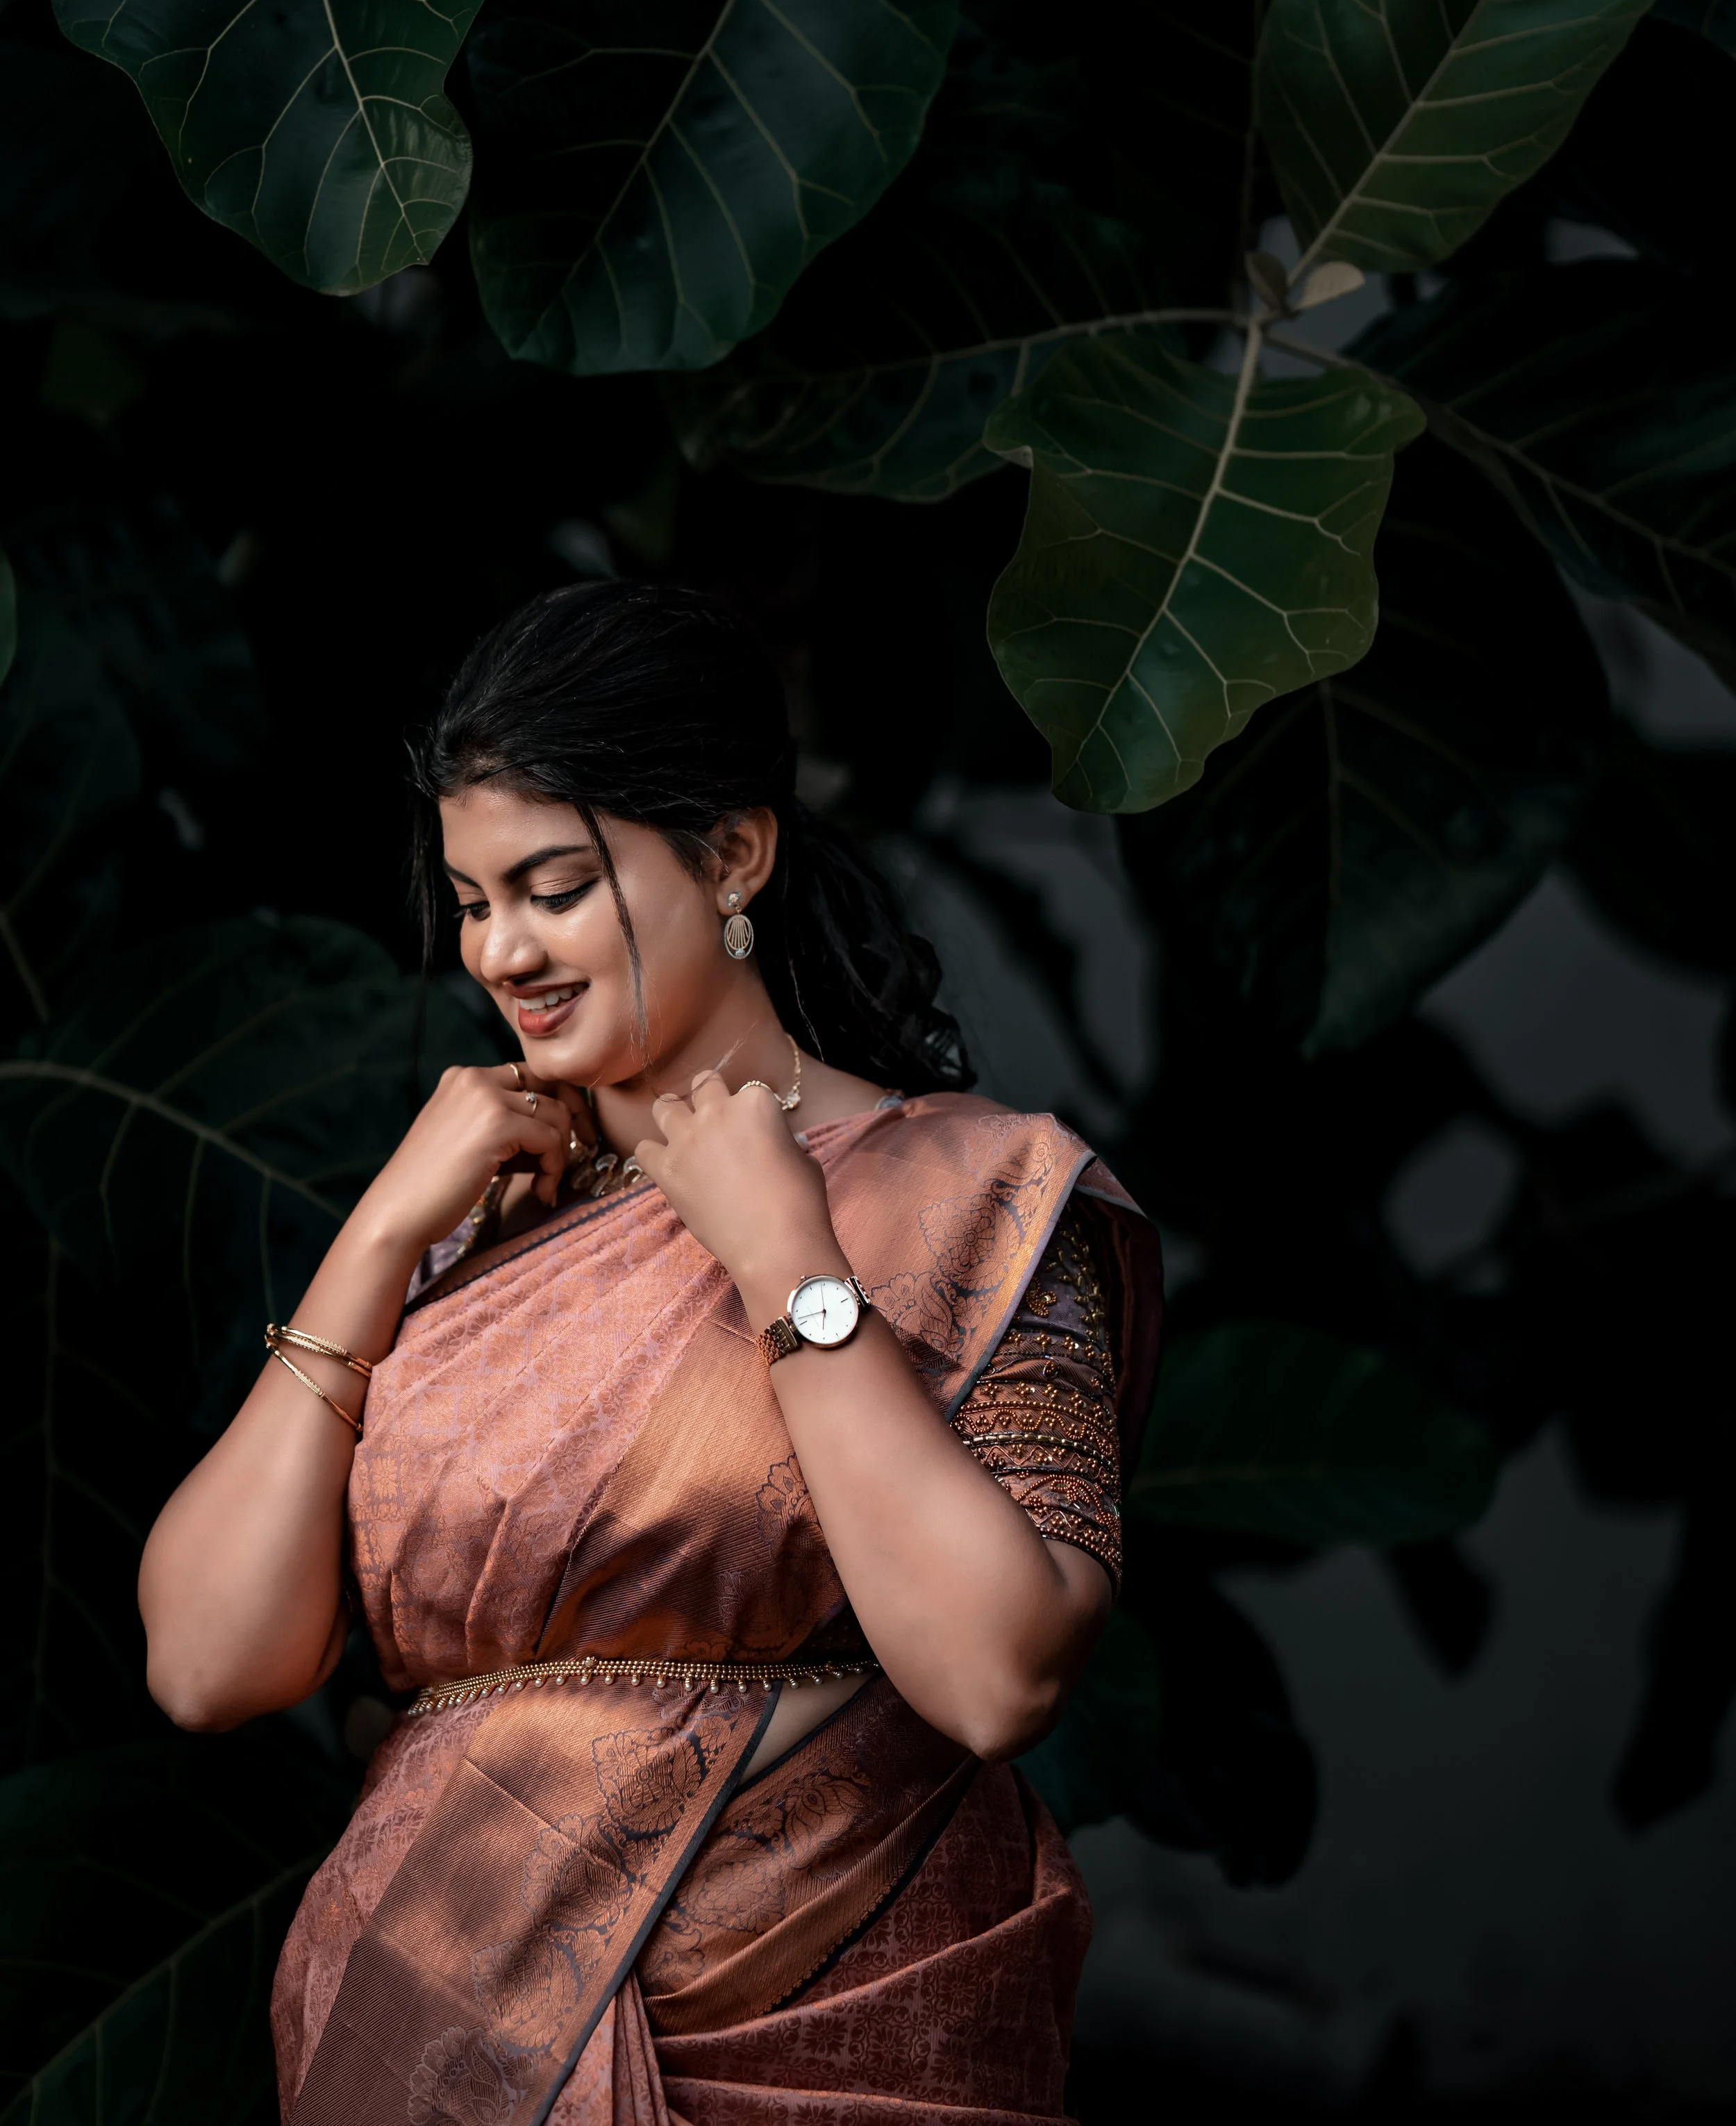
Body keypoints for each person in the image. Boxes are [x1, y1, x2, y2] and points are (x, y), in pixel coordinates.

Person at [137, 581, 1162, 2126]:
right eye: (473, 901)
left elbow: (996, 1669)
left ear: (733, 851)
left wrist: (787, 1261)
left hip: (829, 2030)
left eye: (552, 887)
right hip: (429, 2034)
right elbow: (211, 1667)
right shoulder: (454, 1242)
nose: (501, 951)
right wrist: (367, 1243)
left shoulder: (977, 1196)